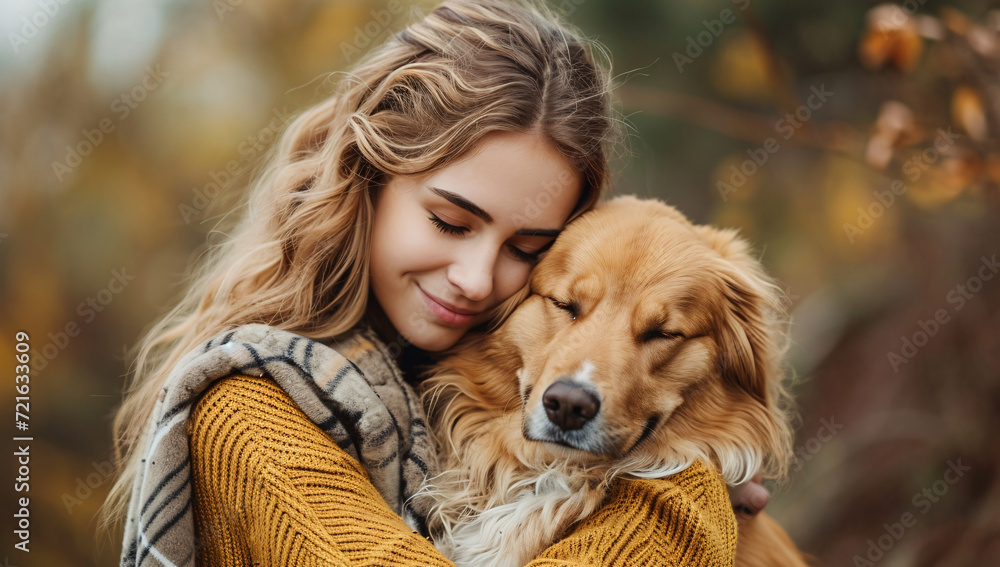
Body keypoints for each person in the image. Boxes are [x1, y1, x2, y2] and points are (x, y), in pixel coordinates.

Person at [102, 1, 766, 565]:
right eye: (450, 222)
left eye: (526, 248)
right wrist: (685, 494)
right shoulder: (250, 411)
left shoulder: (450, 392)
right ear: (365, 181)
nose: (477, 280)